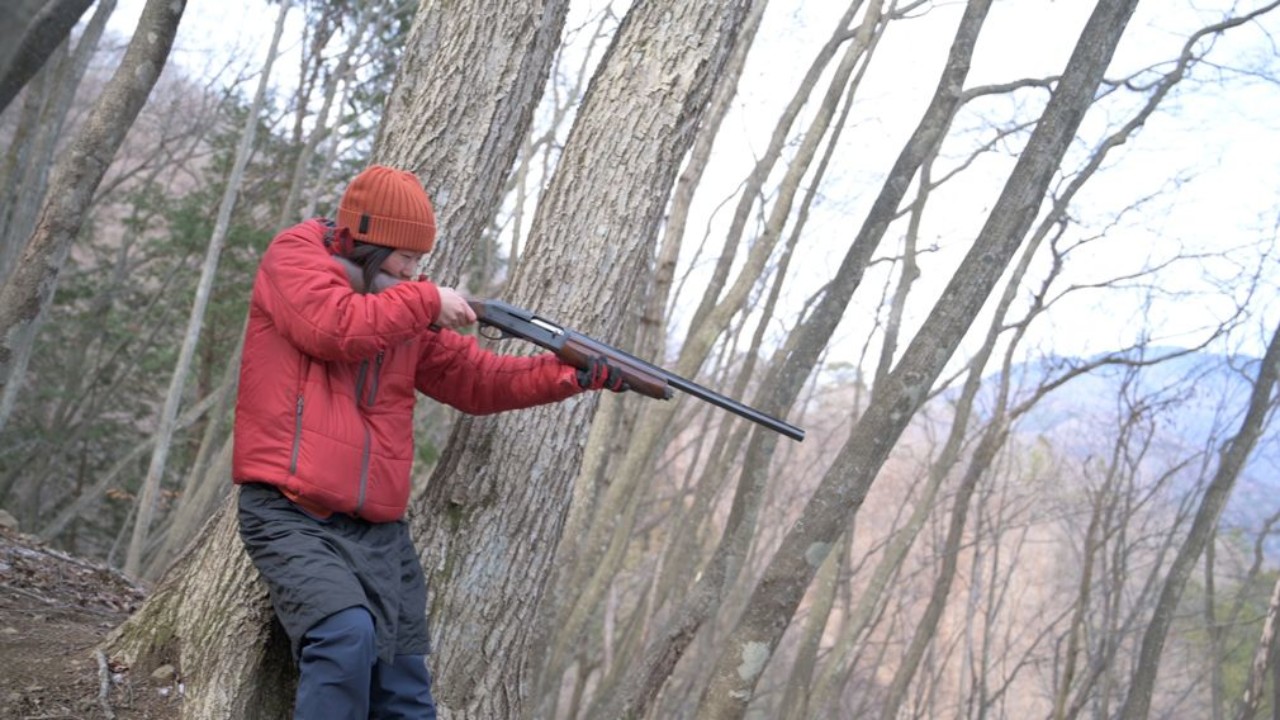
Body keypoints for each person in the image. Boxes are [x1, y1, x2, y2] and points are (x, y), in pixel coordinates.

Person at [232, 164, 625, 719]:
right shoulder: (296, 257)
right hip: (289, 511)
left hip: (379, 531)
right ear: (365, 240)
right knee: (346, 638)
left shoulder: (400, 308)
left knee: (405, 691)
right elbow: (333, 327)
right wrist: (424, 300)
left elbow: (477, 380)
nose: (415, 272)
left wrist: (571, 374)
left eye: (418, 262)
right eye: (406, 259)